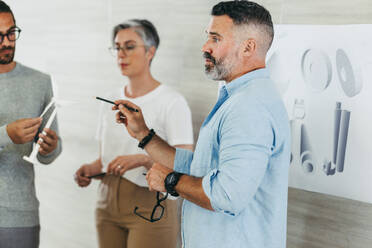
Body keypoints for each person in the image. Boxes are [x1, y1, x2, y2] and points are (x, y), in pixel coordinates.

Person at [113, 1, 291, 248]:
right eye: (207, 37)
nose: (204, 47)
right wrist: (143, 134)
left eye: (215, 39)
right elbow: (202, 167)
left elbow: (226, 195)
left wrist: (170, 181)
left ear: (248, 47)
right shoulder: (238, 98)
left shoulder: (248, 107)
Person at [74, 19, 193, 248]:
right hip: (107, 201)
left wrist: (141, 159)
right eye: (117, 47)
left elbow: (185, 163)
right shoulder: (110, 99)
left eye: (129, 46)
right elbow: (107, 157)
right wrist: (90, 169)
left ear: (150, 51)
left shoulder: (172, 102)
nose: (121, 54)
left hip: (150, 205)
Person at [0, 1, 62, 248]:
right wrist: (6, 134)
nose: (6, 42)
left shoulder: (40, 82)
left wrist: (49, 148)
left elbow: (50, 152)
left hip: (20, 217)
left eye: (11, 33)